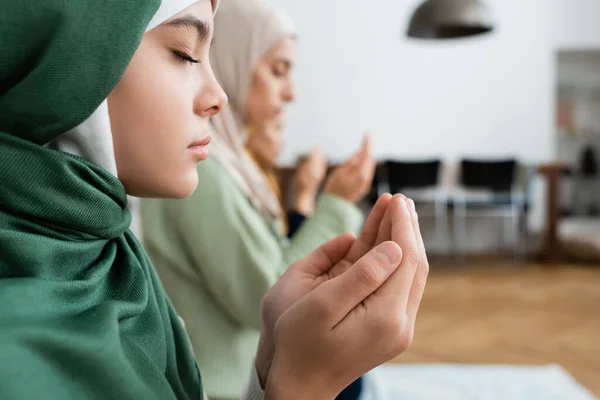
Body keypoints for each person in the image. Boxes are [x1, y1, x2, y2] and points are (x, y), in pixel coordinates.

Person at [0, 0, 429, 399]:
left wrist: (275, 355)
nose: (218, 95)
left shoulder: (109, 254)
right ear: (72, 60)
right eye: (186, 54)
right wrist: (303, 384)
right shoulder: (17, 347)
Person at [141, 0, 375, 398]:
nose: (291, 93)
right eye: (277, 70)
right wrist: (333, 202)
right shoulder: (202, 170)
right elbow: (270, 298)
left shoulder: (232, 164)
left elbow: (274, 258)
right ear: (232, 59)